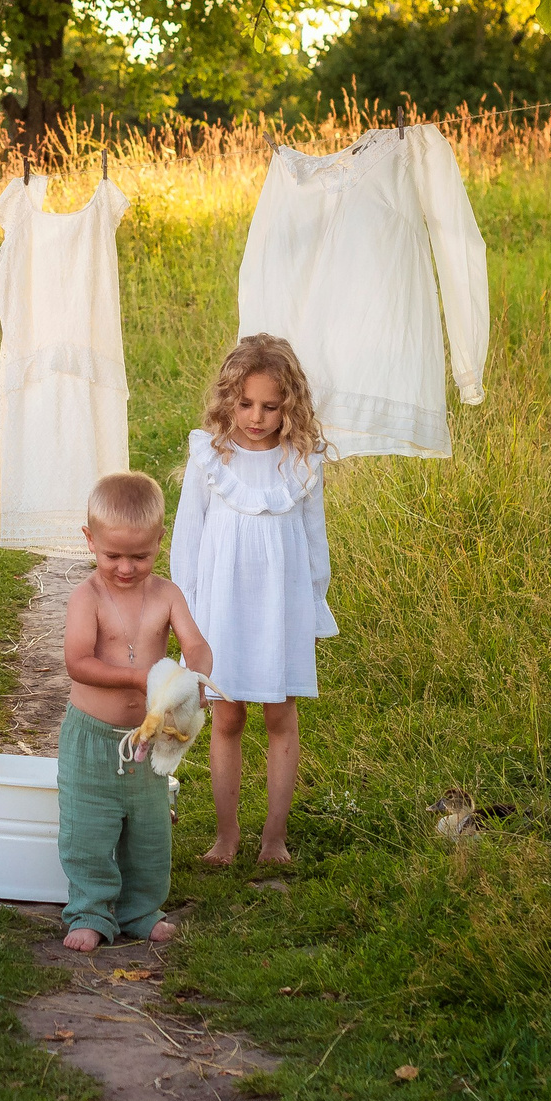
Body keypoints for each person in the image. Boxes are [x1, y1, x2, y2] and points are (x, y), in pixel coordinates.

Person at [172, 334, 332, 866]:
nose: (256, 417)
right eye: (245, 404)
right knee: (227, 718)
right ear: (228, 400)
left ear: (291, 405)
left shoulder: (301, 464)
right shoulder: (209, 456)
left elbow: (314, 541)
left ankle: (274, 839)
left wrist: (313, 604)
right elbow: (188, 538)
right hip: (222, 607)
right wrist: (188, 616)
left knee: (280, 716)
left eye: (270, 406)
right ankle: (226, 835)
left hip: (280, 609)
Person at [59, 471, 215, 953]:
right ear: (90, 541)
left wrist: (195, 679)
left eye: (140, 556)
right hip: (92, 737)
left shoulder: (167, 595)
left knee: (148, 833)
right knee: (87, 830)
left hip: (149, 738)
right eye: (113, 556)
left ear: (159, 541)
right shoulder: (89, 597)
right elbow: (77, 662)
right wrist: (138, 678)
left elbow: (196, 644)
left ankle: (140, 908)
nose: (126, 568)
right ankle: (89, 910)